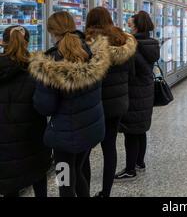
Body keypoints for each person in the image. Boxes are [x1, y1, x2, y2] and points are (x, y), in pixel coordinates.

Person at [28, 11, 110, 197]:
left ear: (51, 32)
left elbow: (45, 107)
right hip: (90, 129)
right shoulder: (90, 53)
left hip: (64, 138)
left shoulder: (51, 64)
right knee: (79, 171)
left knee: (64, 181)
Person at [84, 7, 137, 197]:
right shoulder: (123, 41)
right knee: (110, 147)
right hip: (118, 105)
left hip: (93, 105)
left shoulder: (87, 43)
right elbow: (132, 74)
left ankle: (84, 192)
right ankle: (106, 192)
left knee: (85, 152)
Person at [0, 26, 51, 198]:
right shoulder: (37, 69)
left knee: (9, 184)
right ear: (28, 43)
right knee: (39, 177)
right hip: (33, 138)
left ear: (2, 42)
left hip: (4, 143)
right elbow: (44, 106)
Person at [115, 11, 160, 181]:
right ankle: (140, 162)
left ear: (137, 27)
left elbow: (130, 72)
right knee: (141, 129)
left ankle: (130, 169)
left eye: (130, 25)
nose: (127, 28)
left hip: (134, 92)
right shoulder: (151, 43)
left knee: (131, 133)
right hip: (146, 90)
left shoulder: (132, 45)